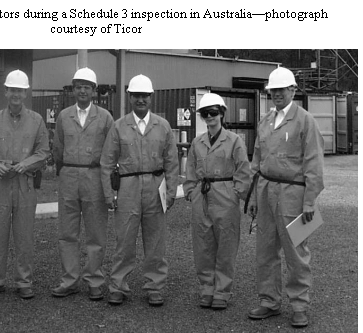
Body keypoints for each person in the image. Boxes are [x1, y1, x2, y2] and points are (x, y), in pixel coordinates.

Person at [246, 67, 324, 327]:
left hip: (294, 192)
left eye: (282, 89)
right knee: (265, 250)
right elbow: (257, 161)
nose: (277, 94)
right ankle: (269, 301)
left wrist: (310, 200)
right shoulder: (265, 121)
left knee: (296, 251)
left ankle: (300, 305)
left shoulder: (305, 120)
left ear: (293, 90)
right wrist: (254, 197)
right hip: (266, 190)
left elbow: (314, 163)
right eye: (273, 90)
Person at [100, 74, 179, 306]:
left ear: (151, 97)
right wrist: (108, 194)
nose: (141, 100)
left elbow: (172, 162)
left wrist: (171, 191)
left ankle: (155, 286)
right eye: (136, 96)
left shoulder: (162, 126)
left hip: (155, 187)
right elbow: (106, 163)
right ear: (130, 97)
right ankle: (117, 286)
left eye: (145, 95)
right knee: (124, 240)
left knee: (156, 241)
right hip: (127, 188)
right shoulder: (118, 126)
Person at [0, 69, 50, 299]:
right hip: (0, 182)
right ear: (6, 92)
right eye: (12, 90)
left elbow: (44, 152)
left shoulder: (37, 120)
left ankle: (24, 281)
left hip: (24, 183)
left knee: (25, 235)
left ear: (25, 93)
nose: (16, 94)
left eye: (20, 90)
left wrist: (27, 164)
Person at [183, 93, 251, 310]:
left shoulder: (234, 141)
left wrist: (237, 193)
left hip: (225, 195)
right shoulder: (197, 142)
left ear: (222, 113)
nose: (209, 117)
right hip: (202, 196)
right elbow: (191, 168)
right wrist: (190, 190)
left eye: (213, 112)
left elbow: (243, 170)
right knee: (202, 245)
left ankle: (222, 291)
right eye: (205, 114)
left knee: (226, 246)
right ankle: (206, 289)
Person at [51, 68, 114, 301]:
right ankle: (69, 280)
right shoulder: (63, 116)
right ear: (73, 89)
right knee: (67, 232)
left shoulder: (105, 117)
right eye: (79, 86)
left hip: (94, 176)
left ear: (94, 90)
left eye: (87, 86)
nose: (83, 90)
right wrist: (64, 170)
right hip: (68, 174)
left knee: (96, 233)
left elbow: (110, 151)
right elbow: (57, 147)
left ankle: (94, 280)